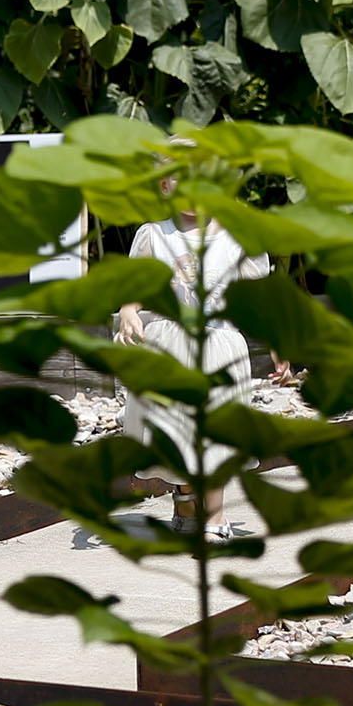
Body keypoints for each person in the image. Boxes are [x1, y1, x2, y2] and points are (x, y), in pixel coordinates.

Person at [112, 206, 270, 531]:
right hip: (169, 346)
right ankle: (185, 500)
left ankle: (214, 516)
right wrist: (129, 310)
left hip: (219, 350)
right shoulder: (155, 235)